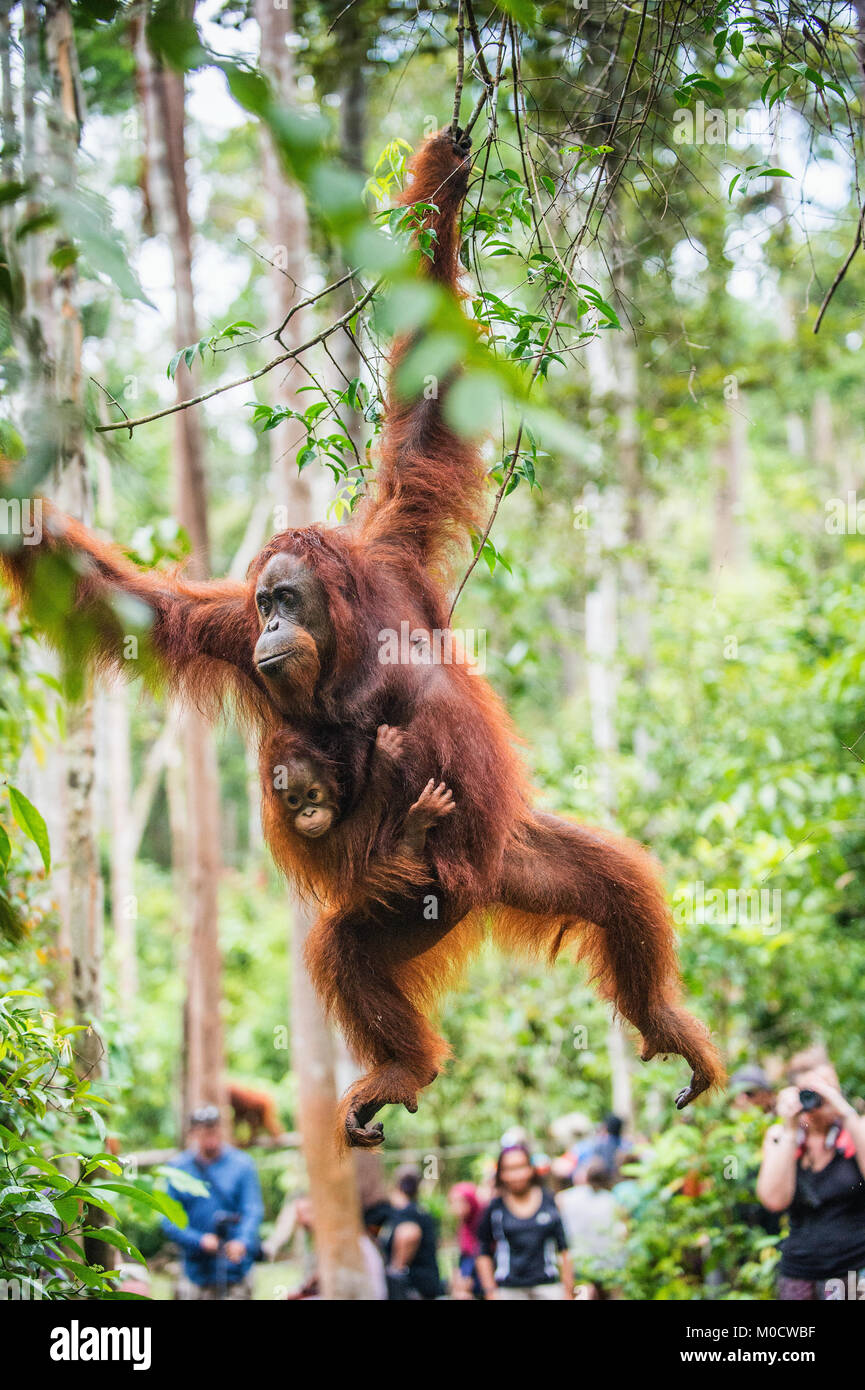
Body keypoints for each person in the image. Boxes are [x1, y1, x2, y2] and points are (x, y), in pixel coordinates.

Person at [756, 1047, 865, 1300]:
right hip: (799, 1273)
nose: (822, 1098)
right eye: (813, 1091)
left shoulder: (856, 1130)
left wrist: (845, 1112)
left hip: (854, 1272)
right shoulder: (781, 1137)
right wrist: (790, 1128)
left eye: (829, 1088)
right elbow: (774, 1200)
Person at [162, 1105, 263, 1300]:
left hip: (236, 1269)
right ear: (192, 1133)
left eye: (214, 1128)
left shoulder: (242, 1165)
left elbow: (253, 1209)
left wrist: (242, 1241)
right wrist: (199, 1240)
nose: (210, 1135)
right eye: (204, 1130)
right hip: (196, 1271)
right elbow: (168, 1219)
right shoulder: (177, 1168)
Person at [476, 1144, 574, 1300]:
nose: (516, 1175)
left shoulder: (549, 1201)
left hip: (547, 1287)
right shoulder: (495, 1209)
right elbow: (483, 1252)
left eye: (521, 1167)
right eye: (509, 1169)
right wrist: (490, 1291)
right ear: (501, 1173)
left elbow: (564, 1249)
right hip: (509, 1289)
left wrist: (568, 1291)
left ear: (531, 1169)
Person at [556, 1156, 625, 1298]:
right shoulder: (612, 1200)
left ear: (585, 1176)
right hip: (608, 1265)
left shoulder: (565, 1197)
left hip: (578, 1265)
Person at [379, 1167, 443, 1300]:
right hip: (426, 1283)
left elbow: (410, 1234)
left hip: (413, 1287)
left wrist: (396, 1270)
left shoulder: (406, 1212)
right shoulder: (421, 1211)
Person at [448, 1181, 483, 1299]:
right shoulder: (464, 1227)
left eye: (460, 1202)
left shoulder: (482, 1223)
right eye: (453, 1203)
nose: (455, 1208)